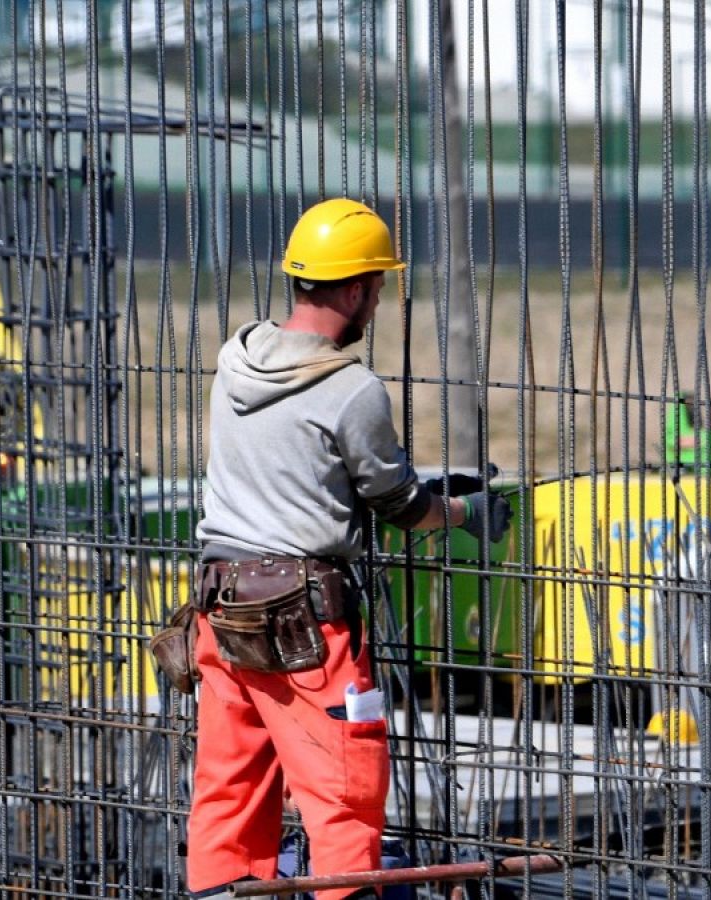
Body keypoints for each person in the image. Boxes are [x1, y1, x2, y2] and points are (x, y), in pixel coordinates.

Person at [186, 198, 509, 900]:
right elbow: (398, 504)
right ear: (358, 288)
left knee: (229, 797)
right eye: (380, 287)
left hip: (219, 613)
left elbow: (298, 470)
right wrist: (463, 510)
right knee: (344, 795)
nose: (379, 301)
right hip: (306, 628)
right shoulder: (351, 389)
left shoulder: (234, 358)